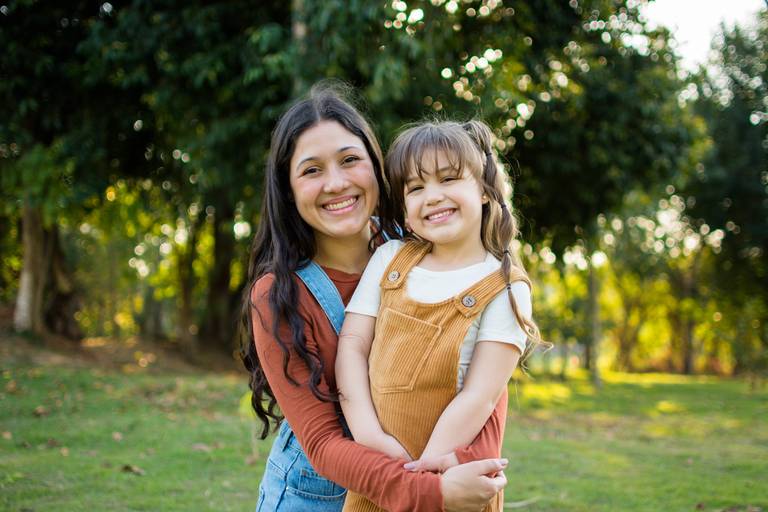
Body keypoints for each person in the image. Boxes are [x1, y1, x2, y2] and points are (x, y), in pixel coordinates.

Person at [240, 84, 510, 512]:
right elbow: (322, 443)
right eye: (311, 170)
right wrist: (430, 491)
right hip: (317, 496)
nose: (336, 183)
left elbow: (486, 378)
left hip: (433, 470)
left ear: (375, 166)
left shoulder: (425, 248)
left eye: (350, 160)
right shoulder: (278, 295)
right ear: (288, 189)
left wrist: (467, 462)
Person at [336, 120, 544, 512]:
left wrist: (424, 477)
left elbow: (480, 396)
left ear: (484, 191)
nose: (432, 196)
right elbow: (352, 345)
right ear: (405, 211)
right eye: (416, 188)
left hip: (450, 481)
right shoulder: (390, 259)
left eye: (448, 179)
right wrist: (369, 435)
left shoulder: (504, 287)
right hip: (379, 474)